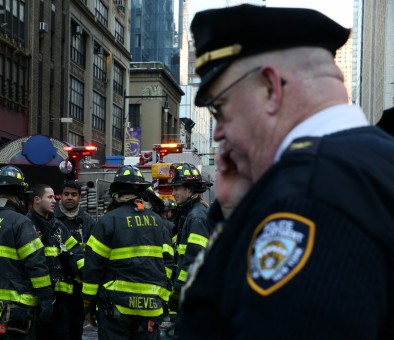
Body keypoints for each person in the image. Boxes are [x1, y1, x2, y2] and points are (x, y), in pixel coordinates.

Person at [178, 5, 394, 338]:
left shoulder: (305, 195)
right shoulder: (377, 157)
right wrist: (237, 212)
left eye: (220, 109)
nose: (218, 133)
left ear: (270, 88)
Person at [82, 165, 174, 340]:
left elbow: (93, 267)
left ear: (115, 193)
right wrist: (161, 297)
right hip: (151, 307)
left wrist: (88, 303)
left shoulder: (107, 222)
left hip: (116, 310)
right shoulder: (159, 222)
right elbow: (168, 263)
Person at [0, 165, 53, 339]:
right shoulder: (21, 222)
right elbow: (35, 262)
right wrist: (46, 298)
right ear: (20, 193)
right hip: (17, 310)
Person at [27, 184, 84, 339]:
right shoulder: (27, 225)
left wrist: (85, 273)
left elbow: (76, 251)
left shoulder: (58, 226)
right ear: (37, 200)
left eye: (54, 197)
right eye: (50, 197)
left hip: (61, 298)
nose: (54, 201)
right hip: (36, 298)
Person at [53, 180, 96, 339]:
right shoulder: (51, 220)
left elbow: (95, 255)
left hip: (80, 290)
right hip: (57, 291)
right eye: (66, 194)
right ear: (60, 196)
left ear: (80, 197)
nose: (69, 198)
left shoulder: (88, 222)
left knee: (76, 331)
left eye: (73, 194)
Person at [163, 163, 212, 299]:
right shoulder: (189, 214)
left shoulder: (196, 217)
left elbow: (195, 258)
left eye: (176, 188)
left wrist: (179, 289)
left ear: (189, 190)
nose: (173, 193)